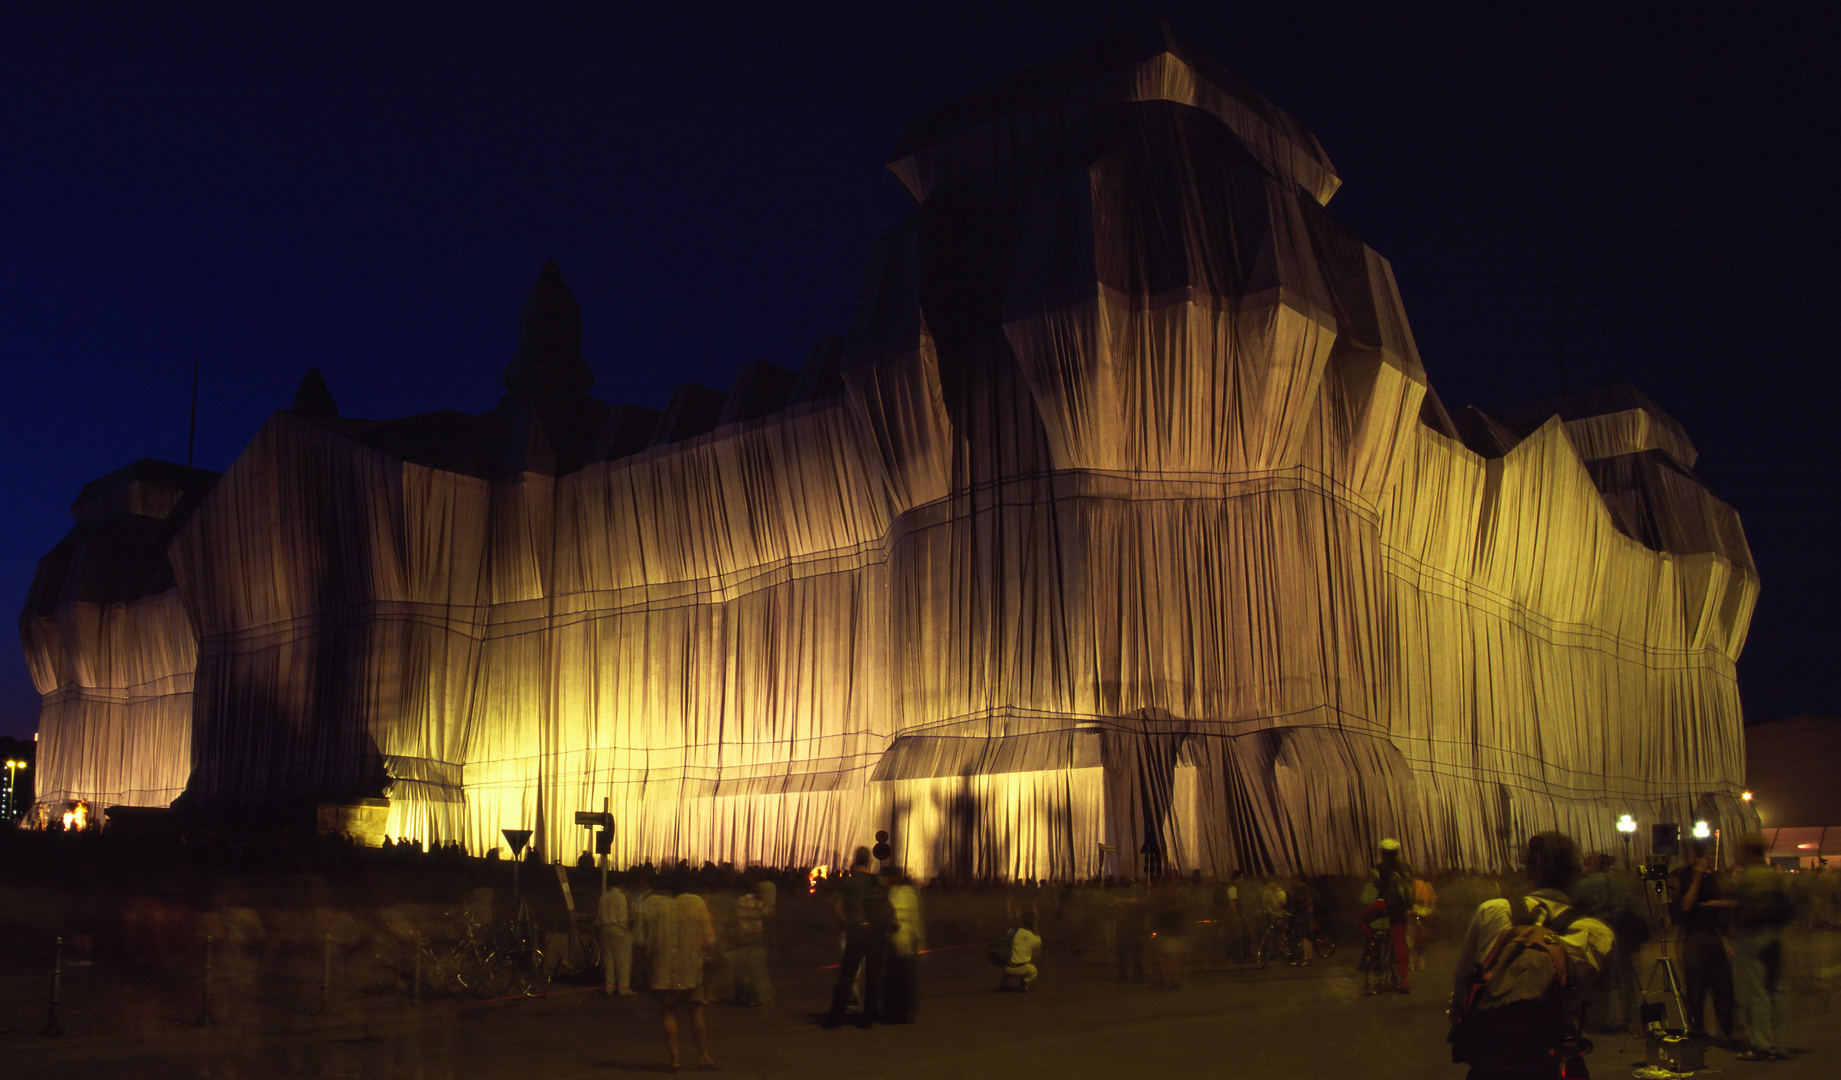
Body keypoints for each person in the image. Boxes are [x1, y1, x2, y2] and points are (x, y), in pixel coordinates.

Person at [1448, 832, 1613, 1080]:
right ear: (1575, 873)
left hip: (1494, 1051)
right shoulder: (1597, 933)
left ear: (1527, 870)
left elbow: (1462, 981)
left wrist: (1461, 1026)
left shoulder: (1492, 911)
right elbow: (1597, 1012)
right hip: (1553, 1057)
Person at [635, 879, 718, 1072]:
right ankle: (703, 1056)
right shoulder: (696, 902)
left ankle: (675, 1060)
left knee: (668, 1012)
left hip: (662, 969)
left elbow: (640, 939)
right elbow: (708, 938)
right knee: (696, 1011)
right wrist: (710, 955)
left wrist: (643, 966)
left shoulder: (651, 904)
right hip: (690, 968)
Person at [1728, 835, 1795, 1061]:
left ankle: (1762, 1045)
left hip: (1753, 937)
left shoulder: (1748, 876)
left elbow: (1743, 906)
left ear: (1750, 853)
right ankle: (1782, 1044)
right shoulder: (1774, 874)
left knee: (1756, 992)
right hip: (1775, 935)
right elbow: (1788, 905)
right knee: (1776, 990)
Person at [1670, 841, 1736, 1045]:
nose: (1707, 858)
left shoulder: (1713, 877)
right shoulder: (1686, 875)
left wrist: (1721, 903)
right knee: (1696, 990)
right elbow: (1686, 905)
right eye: (1703, 854)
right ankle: (1697, 1032)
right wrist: (1698, 876)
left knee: (1724, 988)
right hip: (1695, 938)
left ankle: (1727, 1032)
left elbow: (1729, 900)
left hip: (1714, 936)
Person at [1570, 853, 1642, 1034]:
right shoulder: (1620, 884)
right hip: (1622, 933)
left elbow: (1574, 910)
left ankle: (1604, 1019)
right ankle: (1627, 1017)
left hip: (1596, 935)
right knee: (1626, 977)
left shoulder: (1582, 886)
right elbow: (1630, 905)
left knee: (1602, 978)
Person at [823, 846, 888, 1028]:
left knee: (847, 975)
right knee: (873, 976)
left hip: (856, 931)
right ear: (869, 861)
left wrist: (847, 925)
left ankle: (835, 1018)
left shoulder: (848, 883)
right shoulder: (878, 881)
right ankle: (869, 1017)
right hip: (875, 933)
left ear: (854, 860)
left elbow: (837, 909)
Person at [882, 867, 925, 1022]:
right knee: (896, 980)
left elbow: (915, 919)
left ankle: (904, 1012)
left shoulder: (905, 894)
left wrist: (919, 943)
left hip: (904, 943)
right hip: (894, 943)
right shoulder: (893, 894)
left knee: (904, 980)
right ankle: (898, 1012)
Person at [1372, 839, 1415, 991]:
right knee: (1400, 941)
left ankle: (1373, 952)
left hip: (1384, 905)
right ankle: (1404, 980)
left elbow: (1377, 888)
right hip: (1401, 908)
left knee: (1362, 920)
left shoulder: (1379, 868)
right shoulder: (1407, 868)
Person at [729, 880, 772, 1007]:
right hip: (755, 937)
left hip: (741, 936)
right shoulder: (759, 903)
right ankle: (752, 997)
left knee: (740, 968)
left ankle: (740, 996)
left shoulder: (739, 901)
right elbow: (769, 914)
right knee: (754, 968)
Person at [597, 874, 636, 997]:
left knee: (609, 960)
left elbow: (599, 915)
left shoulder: (603, 897)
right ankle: (623, 988)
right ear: (622, 884)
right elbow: (622, 918)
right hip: (618, 931)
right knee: (623, 960)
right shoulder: (620, 897)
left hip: (605, 929)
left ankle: (609, 988)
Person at [998, 909, 1042, 990]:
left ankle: (1003, 984)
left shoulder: (1012, 931)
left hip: (1007, 968)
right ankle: (1026, 980)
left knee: (1009, 961)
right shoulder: (1036, 939)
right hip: (1022, 969)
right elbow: (1037, 953)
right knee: (1034, 971)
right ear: (1033, 924)